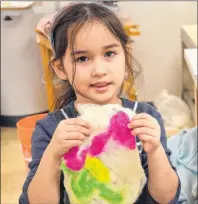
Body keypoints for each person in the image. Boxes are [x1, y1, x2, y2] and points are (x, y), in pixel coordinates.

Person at [19, 2, 180, 204]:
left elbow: (167, 197)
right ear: (60, 68)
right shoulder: (52, 129)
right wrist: (52, 155)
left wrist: (155, 150)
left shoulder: (144, 118)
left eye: (109, 54)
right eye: (83, 58)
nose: (99, 70)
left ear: (126, 55)